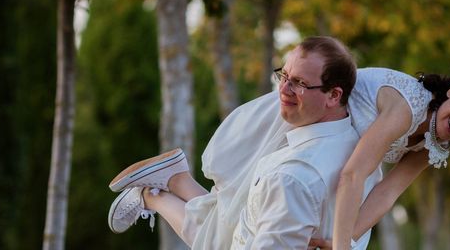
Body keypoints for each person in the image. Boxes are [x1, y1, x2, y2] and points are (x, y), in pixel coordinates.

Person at [195, 67, 450, 250]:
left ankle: (167, 183)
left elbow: (388, 192)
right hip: (307, 130)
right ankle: (169, 182)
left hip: (334, 160)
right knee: (225, 236)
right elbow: (353, 175)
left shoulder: (434, 143)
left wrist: (343, 239)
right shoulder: (407, 106)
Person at [107, 36, 378, 249]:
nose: (282, 91)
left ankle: (157, 192)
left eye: (298, 83)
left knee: (218, 237)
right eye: (283, 76)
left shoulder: (291, 178)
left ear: (334, 95)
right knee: (221, 230)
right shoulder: (364, 149)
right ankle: (162, 189)